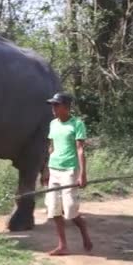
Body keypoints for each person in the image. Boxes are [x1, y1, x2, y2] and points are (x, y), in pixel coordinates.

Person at [42, 92, 93, 256]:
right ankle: (62, 245)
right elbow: (51, 148)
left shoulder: (77, 124)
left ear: (66, 107)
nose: (53, 108)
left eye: (56, 105)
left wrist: (82, 174)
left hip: (70, 170)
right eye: (52, 105)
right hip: (54, 169)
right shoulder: (53, 124)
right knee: (54, 209)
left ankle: (83, 229)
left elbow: (80, 149)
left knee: (70, 209)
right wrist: (46, 170)